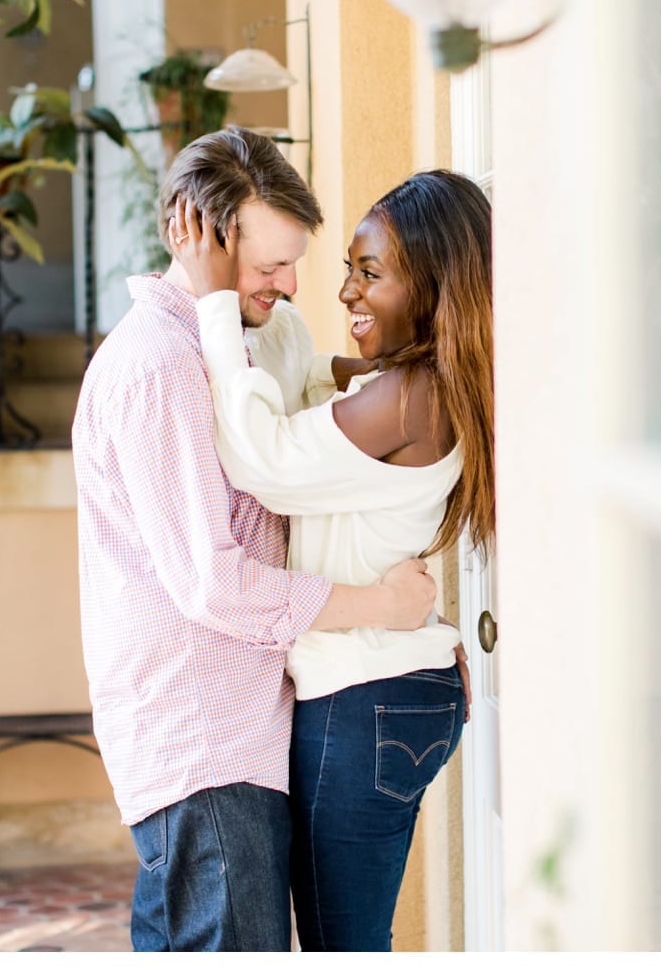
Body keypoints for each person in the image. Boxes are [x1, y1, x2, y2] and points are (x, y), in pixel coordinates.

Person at [72, 128, 439, 953]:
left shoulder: (223, 348)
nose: (290, 284)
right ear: (192, 234)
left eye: (293, 261)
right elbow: (218, 584)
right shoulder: (161, 366)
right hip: (202, 741)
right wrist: (384, 605)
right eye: (268, 266)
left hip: (235, 732)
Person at [176, 168, 495, 951]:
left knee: (341, 949)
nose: (347, 292)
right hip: (386, 696)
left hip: (364, 702)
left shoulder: (413, 396)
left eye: (371, 272)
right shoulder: (412, 382)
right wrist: (268, 319)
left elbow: (264, 459)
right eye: (350, 268)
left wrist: (219, 303)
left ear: (433, 286)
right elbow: (318, 382)